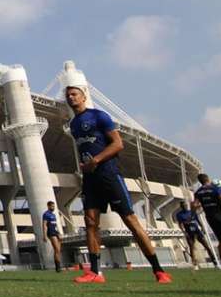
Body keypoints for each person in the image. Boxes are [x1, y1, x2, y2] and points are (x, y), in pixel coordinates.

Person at [66, 86, 172, 284]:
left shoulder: (99, 116)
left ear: (83, 97)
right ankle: (95, 272)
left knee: (130, 220)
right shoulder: (73, 125)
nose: (71, 98)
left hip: (109, 174)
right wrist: (87, 167)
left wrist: (96, 160)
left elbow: (118, 144)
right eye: (68, 96)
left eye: (74, 94)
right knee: (90, 222)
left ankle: (159, 270)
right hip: (90, 178)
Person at [175, 200, 218, 270]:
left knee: (206, 246)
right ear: (181, 206)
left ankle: (214, 261)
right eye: (183, 205)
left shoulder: (192, 212)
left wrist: (203, 228)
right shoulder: (179, 215)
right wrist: (184, 232)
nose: (185, 206)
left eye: (185, 205)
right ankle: (194, 264)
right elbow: (180, 224)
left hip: (197, 231)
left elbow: (198, 221)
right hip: (189, 232)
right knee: (191, 247)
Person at [43, 201, 63, 272]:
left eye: (54, 206)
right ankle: (58, 267)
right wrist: (45, 235)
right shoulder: (46, 214)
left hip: (55, 231)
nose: (53, 208)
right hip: (50, 232)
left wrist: (59, 233)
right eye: (52, 206)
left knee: (58, 250)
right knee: (57, 249)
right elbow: (44, 225)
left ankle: (58, 265)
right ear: (48, 206)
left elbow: (55, 225)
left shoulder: (54, 215)